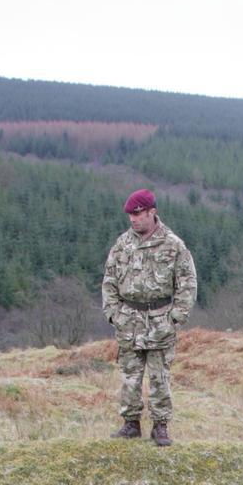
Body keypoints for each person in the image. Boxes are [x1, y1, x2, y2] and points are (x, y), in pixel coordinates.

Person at [101, 189, 197, 446]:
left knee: (159, 376)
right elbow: (109, 282)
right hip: (129, 320)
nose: (133, 219)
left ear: (152, 212)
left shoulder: (173, 245)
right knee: (130, 376)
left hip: (160, 319)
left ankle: (160, 426)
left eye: (138, 214)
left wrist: (175, 318)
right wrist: (114, 315)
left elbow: (188, 284)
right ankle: (130, 424)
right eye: (130, 215)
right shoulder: (122, 244)